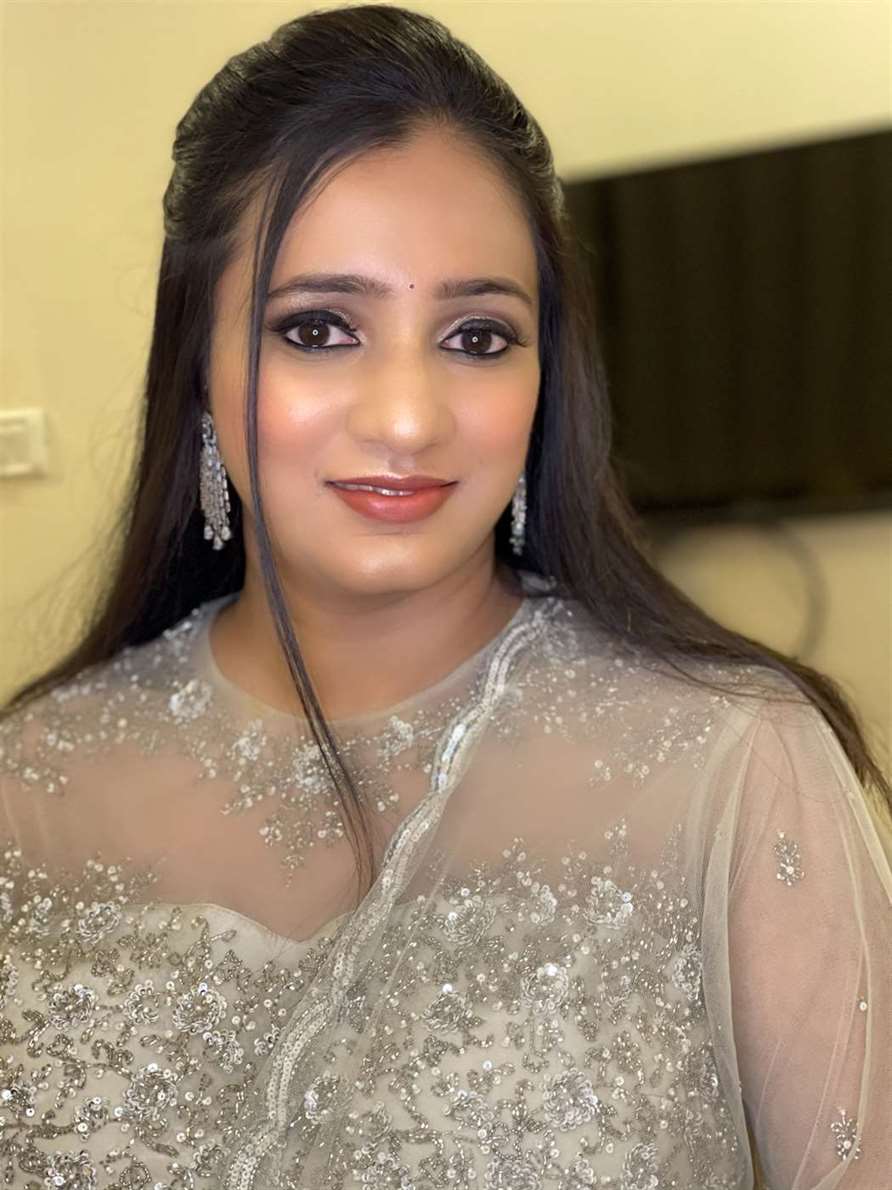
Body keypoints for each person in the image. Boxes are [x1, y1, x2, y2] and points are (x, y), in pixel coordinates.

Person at [1, 5, 889, 1188]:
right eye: (318, 328)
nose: (410, 417)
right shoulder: (33, 783)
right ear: (199, 371)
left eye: (476, 337)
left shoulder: (732, 759)